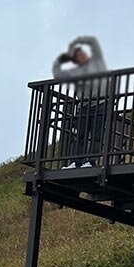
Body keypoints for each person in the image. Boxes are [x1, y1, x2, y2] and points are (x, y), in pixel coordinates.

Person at [53, 36, 110, 168]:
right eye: (78, 56)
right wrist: (60, 60)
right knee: (80, 136)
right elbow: (58, 74)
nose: (82, 56)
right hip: (83, 106)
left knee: (97, 135)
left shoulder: (97, 62)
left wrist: (78, 41)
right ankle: (77, 162)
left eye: (82, 53)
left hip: (100, 104)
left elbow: (93, 42)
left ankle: (91, 161)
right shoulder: (75, 72)